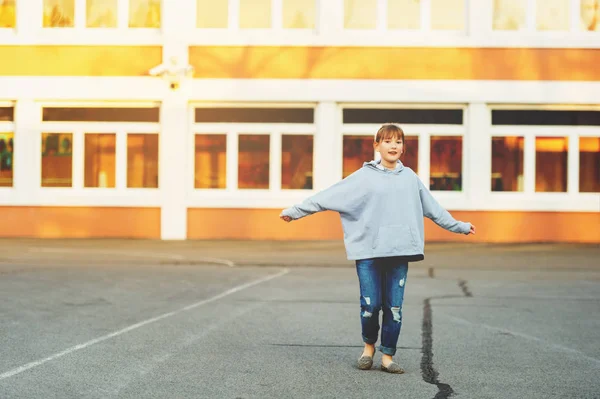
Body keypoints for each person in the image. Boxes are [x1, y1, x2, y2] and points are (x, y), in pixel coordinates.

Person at [279, 123, 476, 374]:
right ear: (377, 146)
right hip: (369, 252)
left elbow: (434, 209)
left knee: (394, 308)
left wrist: (459, 226)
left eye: (398, 141)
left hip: (399, 251)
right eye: (387, 141)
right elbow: (328, 196)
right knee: (370, 306)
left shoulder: (410, 178)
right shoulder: (364, 177)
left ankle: (388, 357)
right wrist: (295, 212)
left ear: (403, 147)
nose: (393, 146)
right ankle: (368, 348)